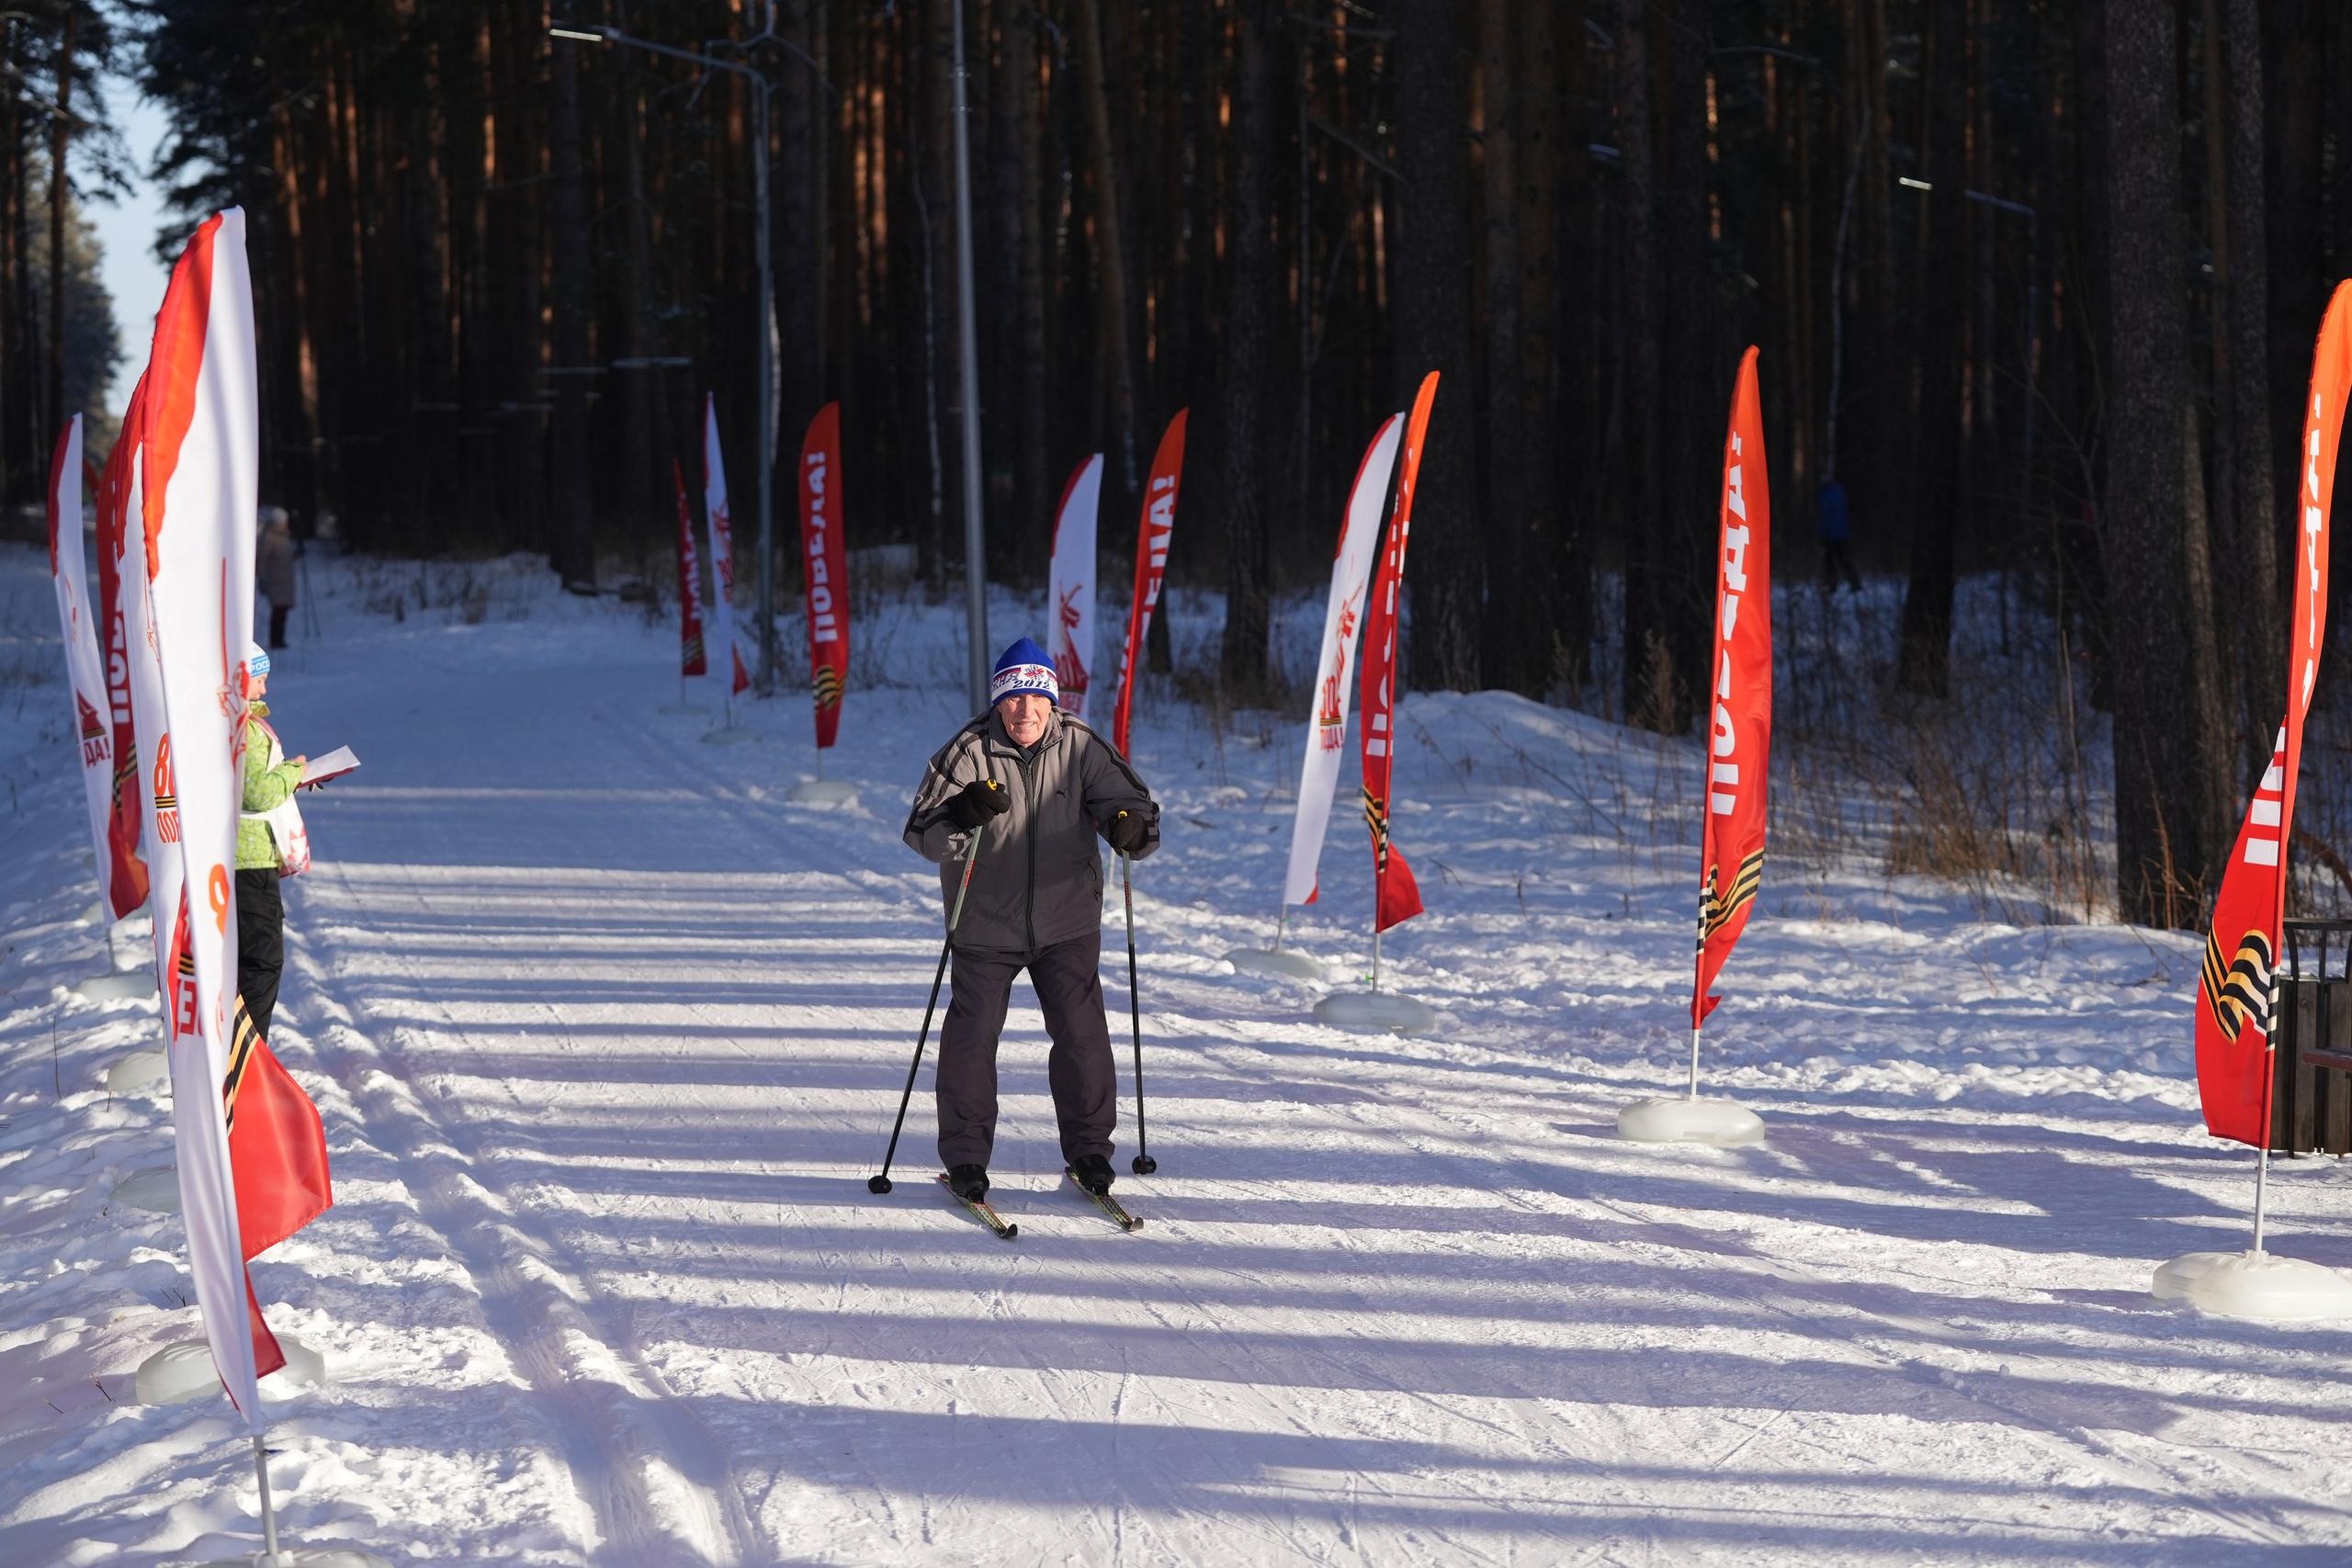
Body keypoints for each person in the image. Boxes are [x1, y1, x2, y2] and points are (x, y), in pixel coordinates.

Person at [903, 637, 1159, 1201]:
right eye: (1014, 699)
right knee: (971, 1039)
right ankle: (966, 1160)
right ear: (998, 703)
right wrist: (962, 816)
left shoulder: (1082, 747)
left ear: (1053, 700)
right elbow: (923, 833)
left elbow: (1135, 808)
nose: (1026, 711)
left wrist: (1130, 828)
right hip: (984, 924)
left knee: (1082, 1033)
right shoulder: (967, 751)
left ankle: (1090, 1151)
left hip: (1066, 921)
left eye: (1036, 698)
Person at [237, 642, 306, 1041]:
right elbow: (258, 793)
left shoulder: (231, 720)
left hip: (244, 856)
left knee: (251, 960)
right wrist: (294, 773)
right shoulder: (240, 726)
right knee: (262, 962)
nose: (263, 691)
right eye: (259, 680)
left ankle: (238, 1057)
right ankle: (246, 1060)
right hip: (249, 860)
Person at [258, 505, 297, 649]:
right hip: (275, 579)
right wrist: (262, 579)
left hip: (285, 579)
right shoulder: (269, 537)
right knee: (278, 610)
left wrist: (295, 555)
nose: (286, 523)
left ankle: (280, 639)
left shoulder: (284, 535)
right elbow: (263, 559)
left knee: (283, 610)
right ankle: (275, 640)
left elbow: (284, 555)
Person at [1817, 480, 1862, 593]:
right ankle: (1854, 583)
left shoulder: (1826, 494)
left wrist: (1822, 533)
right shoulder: (1840, 492)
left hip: (1831, 534)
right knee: (1844, 559)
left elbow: (1826, 515)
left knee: (1830, 561)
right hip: (1843, 533)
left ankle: (1832, 585)